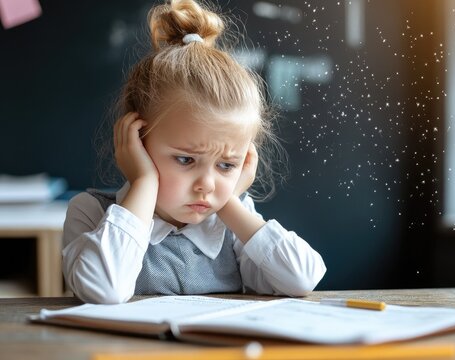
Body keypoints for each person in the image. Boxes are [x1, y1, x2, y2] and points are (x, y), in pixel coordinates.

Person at [62, 0, 326, 304]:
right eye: (186, 160)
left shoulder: (232, 226)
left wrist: (229, 203)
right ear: (139, 143)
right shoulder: (91, 212)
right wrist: (144, 182)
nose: (207, 185)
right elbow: (103, 289)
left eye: (226, 165)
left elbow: (302, 278)